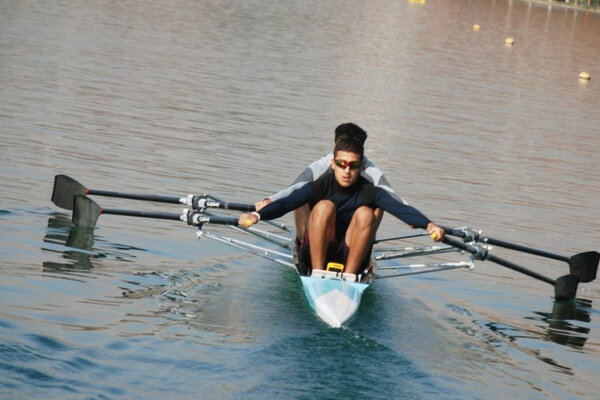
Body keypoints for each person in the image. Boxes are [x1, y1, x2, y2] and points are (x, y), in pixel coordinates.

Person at [239, 138, 444, 279]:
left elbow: (400, 209)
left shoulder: (371, 191)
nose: (347, 170)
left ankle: (350, 276)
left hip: (350, 252)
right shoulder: (320, 185)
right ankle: (318, 274)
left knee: (366, 213)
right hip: (318, 249)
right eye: (342, 163)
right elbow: (287, 202)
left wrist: (429, 224)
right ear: (333, 164)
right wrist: (257, 215)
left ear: (362, 167)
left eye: (353, 165)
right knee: (324, 206)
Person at [254, 123, 405, 240]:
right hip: (318, 225)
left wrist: (412, 216)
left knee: (379, 204)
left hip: (352, 229)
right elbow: (295, 187)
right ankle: (305, 241)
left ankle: (363, 244)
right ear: (334, 146)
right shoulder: (322, 165)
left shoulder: (370, 170)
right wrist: (270, 200)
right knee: (302, 196)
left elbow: (390, 194)